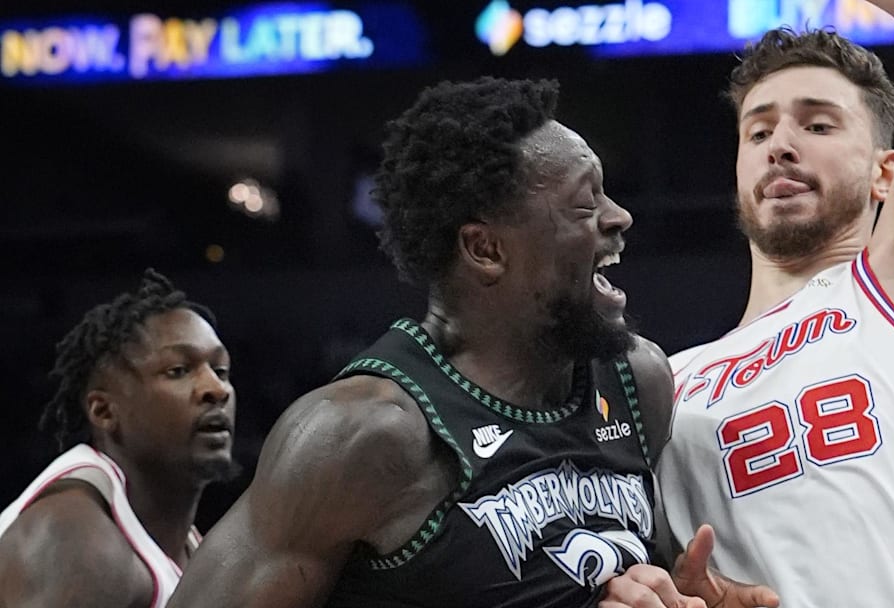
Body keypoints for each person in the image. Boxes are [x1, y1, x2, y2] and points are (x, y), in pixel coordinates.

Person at [165, 78, 774, 608]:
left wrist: (682, 592)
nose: (620, 217)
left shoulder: (638, 380)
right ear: (486, 249)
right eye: (586, 204)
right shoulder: (361, 435)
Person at [656, 0, 894, 606]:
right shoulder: (662, 382)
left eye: (818, 125)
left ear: (888, 174)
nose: (782, 146)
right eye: (759, 131)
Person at [0, 269, 237, 608]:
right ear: (103, 412)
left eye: (221, 370)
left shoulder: (184, 543)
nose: (216, 389)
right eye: (178, 371)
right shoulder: (76, 537)